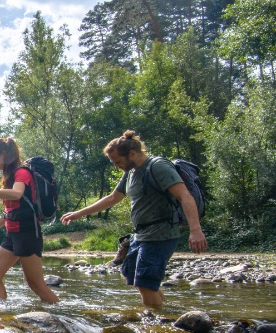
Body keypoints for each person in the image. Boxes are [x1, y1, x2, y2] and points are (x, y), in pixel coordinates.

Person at [61, 130, 207, 308]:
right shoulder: (131, 171)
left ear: (132, 154)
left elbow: (185, 196)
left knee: (145, 282)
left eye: (117, 162)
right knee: (132, 274)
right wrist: (79, 213)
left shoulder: (157, 166)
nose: (116, 166)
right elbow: (113, 198)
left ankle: (155, 320)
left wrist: (195, 230)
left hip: (160, 234)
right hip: (141, 235)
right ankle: (166, 312)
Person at [0, 137, 60, 304]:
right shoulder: (9, 177)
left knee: (36, 284)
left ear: (3, 154)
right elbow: (9, 212)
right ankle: (1, 314)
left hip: (28, 233)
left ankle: (61, 313)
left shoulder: (22, 172)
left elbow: (16, 194)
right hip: (12, 234)